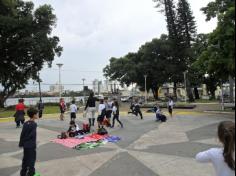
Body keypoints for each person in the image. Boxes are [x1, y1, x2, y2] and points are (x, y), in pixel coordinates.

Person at [19, 107, 38, 176]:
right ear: (34, 115)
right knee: (31, 160)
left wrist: (21, 143)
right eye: (36, 114)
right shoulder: (34, 124)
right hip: (31, 145)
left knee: (25, 159)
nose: (37, 115)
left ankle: (23, 173)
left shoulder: (25, 123)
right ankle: (31, 173)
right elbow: (32, 135)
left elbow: (22, 134)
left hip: (25, 145)